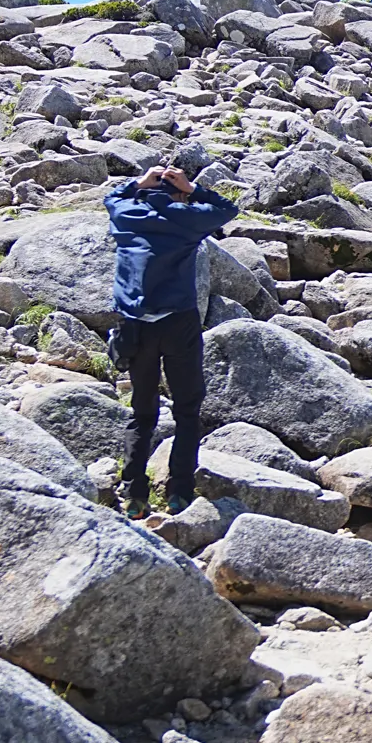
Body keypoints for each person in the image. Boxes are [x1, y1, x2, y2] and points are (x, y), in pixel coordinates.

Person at [104, 164, 238, 518]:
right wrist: (193, 189)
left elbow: (111, 197)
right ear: (177, 193)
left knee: (142, 413)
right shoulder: (185, 218)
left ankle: (134, 495)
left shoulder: (128, 214)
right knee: (187, 410)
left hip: (134, 326)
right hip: (178, 322)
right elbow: (227, 209)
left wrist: (140, 183)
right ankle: (179, 492)